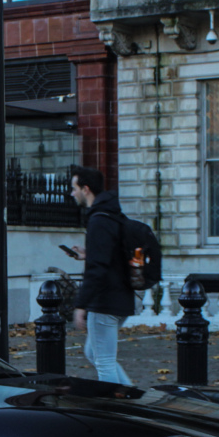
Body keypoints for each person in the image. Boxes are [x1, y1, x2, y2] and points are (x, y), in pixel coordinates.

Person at [66, 165, 134, 385]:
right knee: (93, 353)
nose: (72, 193)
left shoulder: (98, 220)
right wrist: (89, 255)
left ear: (86, 189)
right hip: (122, 297)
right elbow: (111, 255)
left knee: (104, 362)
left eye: (74, 188)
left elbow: (97, 270)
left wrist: (81, 305)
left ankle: (120, 409)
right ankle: (132, 395)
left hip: (105, 302)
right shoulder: (113, 215)